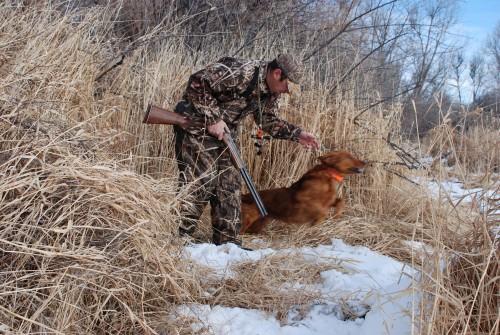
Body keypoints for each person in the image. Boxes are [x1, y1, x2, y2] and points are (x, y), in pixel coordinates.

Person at [173, 53, 320, 246]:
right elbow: (198, 81)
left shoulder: (271, 91)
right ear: (277, 73)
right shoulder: (240, 71)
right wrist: (213, 119)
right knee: (201, 181)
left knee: (229, 185)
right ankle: (177, 237)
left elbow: (268, 121)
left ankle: (227, 244)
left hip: (225, 133)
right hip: (195, 126)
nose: (287, 92)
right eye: (287, 85)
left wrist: (297, 134)